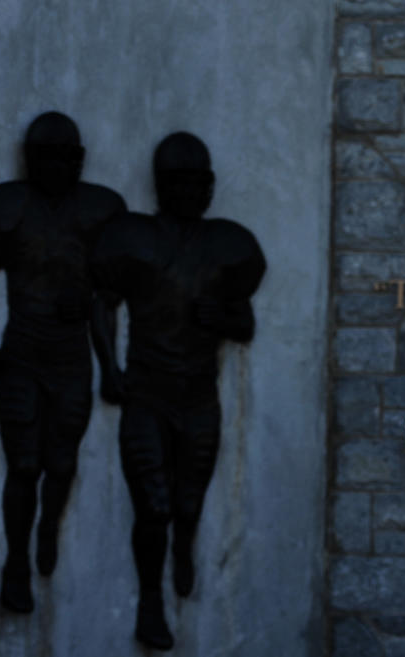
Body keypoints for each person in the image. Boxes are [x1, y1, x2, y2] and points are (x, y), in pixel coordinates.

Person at [90, 132, 265, 650]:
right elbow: (102, 301)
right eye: (178, 183)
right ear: (161, 186)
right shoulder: (134, 239)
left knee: (187, 504)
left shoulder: (227, 246)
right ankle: (150, 600)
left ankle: (184, 545)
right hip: (146, 391)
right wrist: (109, 369)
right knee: (155, 505)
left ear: (210, 187)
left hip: (198, 396)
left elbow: (244, 323)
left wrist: (223, 316)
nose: (189, 192)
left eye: (198, 183)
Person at [0, 111, 127, 613]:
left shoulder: (101, 211)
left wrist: (109, 358)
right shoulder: (3, 208)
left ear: (79, 161)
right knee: (24, 463)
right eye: (44, 157)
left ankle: (48, 529)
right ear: (29, 160)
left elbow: (112, 289)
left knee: (61, 461)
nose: (55, 167)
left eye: (64, 157)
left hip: (72, 352)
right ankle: (15, 561)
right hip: (23, 349)